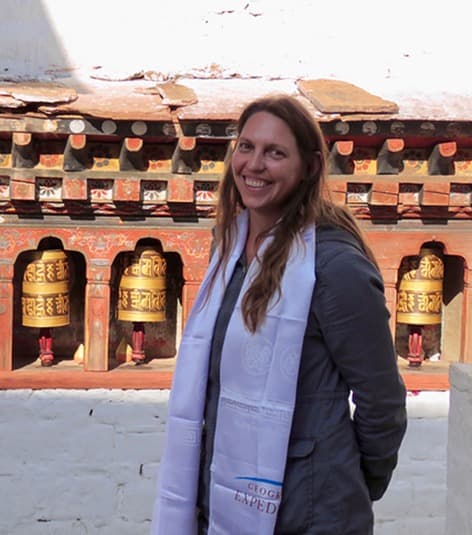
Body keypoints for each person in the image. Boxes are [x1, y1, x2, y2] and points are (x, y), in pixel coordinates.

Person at [151, 95, 407, 534]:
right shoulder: (229, 249)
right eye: (246, 147)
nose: (254, 165)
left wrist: (351, 482)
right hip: (223, 493)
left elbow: (381, 401)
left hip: (313, 511)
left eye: (275, 152)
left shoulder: (333, 267)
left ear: (308, 166)